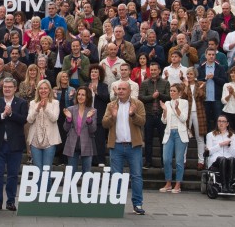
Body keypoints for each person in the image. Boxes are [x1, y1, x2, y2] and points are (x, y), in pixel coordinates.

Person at [103, 79, 146, 214]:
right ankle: (116, 203)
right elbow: (104, 123)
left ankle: (137, 204)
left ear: (129, 91)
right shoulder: (111, 105)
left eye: (123, 89)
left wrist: (133, 114)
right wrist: (112, 117)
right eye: (119, 89)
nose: (120, 91)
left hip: (134, 146)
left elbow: (142, 121)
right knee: (116, 175)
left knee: (137, 176)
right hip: (116, 146)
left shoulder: (137, 104)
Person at [0, 77, 28, 212]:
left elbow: (24, 120)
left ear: (15, 88)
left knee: (12, 174)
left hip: (15, 145)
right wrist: (3, 115)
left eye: (10, 87)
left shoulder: (22, 103)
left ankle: (11, 201)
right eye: (5, 87)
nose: (7, 89)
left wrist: (11, 114)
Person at [158, 83, 189, 196]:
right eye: (170, 91)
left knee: (179, 161)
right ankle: (168, 183)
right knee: (166, 159)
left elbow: (184, 118)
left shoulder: (184, 102)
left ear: (179, 93)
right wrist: (165, 110)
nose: (171, 92)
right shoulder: (167, 103)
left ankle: (178, 184)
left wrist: (176, 109)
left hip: (180, 133)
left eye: (174, 91)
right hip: (169, 133)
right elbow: (164, 121)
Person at [139, 62, 170, 169]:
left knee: (163, 140)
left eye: (155, 70)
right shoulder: (144, 83)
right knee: (148, 140)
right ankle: (148, 162)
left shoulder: (166, 83)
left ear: (159, 70)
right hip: (149, 115)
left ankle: (163, 163)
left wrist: (159, 95)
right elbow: (141, 97)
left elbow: (169, 97)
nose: (152, 72)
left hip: (162, 115)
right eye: (151, 70)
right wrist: (152, 97)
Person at [62, 86, 98, 175]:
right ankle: (70, 189)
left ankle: (88, 189)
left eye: (83, 95)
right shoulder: (70, 109)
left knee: (87, 173)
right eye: (78, 94)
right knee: (71, 173)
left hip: (87, 143)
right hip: (72, 144)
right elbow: (65, 128)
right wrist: (69, 119)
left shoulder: (92, 111)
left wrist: (89, 119)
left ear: (88, 97)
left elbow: (93, 130)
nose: (80, 97)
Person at [27, 79, 61, 170]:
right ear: (38, 90)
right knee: (37, 170)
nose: (43, 90)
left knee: (47, 170)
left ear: (49, 90)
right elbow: (29, 120)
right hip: (35, 140)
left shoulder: (55, 103)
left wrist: (45, 108)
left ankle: (47, 185)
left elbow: (54, 118)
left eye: (45, 88)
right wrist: (37, 109)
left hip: (50, 140)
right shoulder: (33, 103)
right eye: (41, 88)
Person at [206, 114, 235, 191]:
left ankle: (229, 185)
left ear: (227, 124)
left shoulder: (233, 136)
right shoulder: (210, 135)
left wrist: (229, 146)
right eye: (219, 121)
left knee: (230, 159)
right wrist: (220, 145)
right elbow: (209, 152)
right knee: (222, 159)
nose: (221, 123)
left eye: (223, 121)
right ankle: (224, 185)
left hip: (230, 160)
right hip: (216, 160)